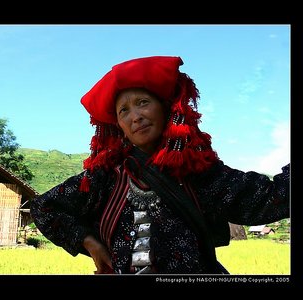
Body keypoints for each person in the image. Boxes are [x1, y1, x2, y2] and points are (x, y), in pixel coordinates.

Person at [30, 56, 290, 274]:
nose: (136, 116)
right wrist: (89, 242)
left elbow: (274, 198)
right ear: (118, 126)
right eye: (124, 111)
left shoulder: (199, 172)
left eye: (143, 103)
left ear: (164, 109)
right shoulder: (105, 177)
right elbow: (44, 207)